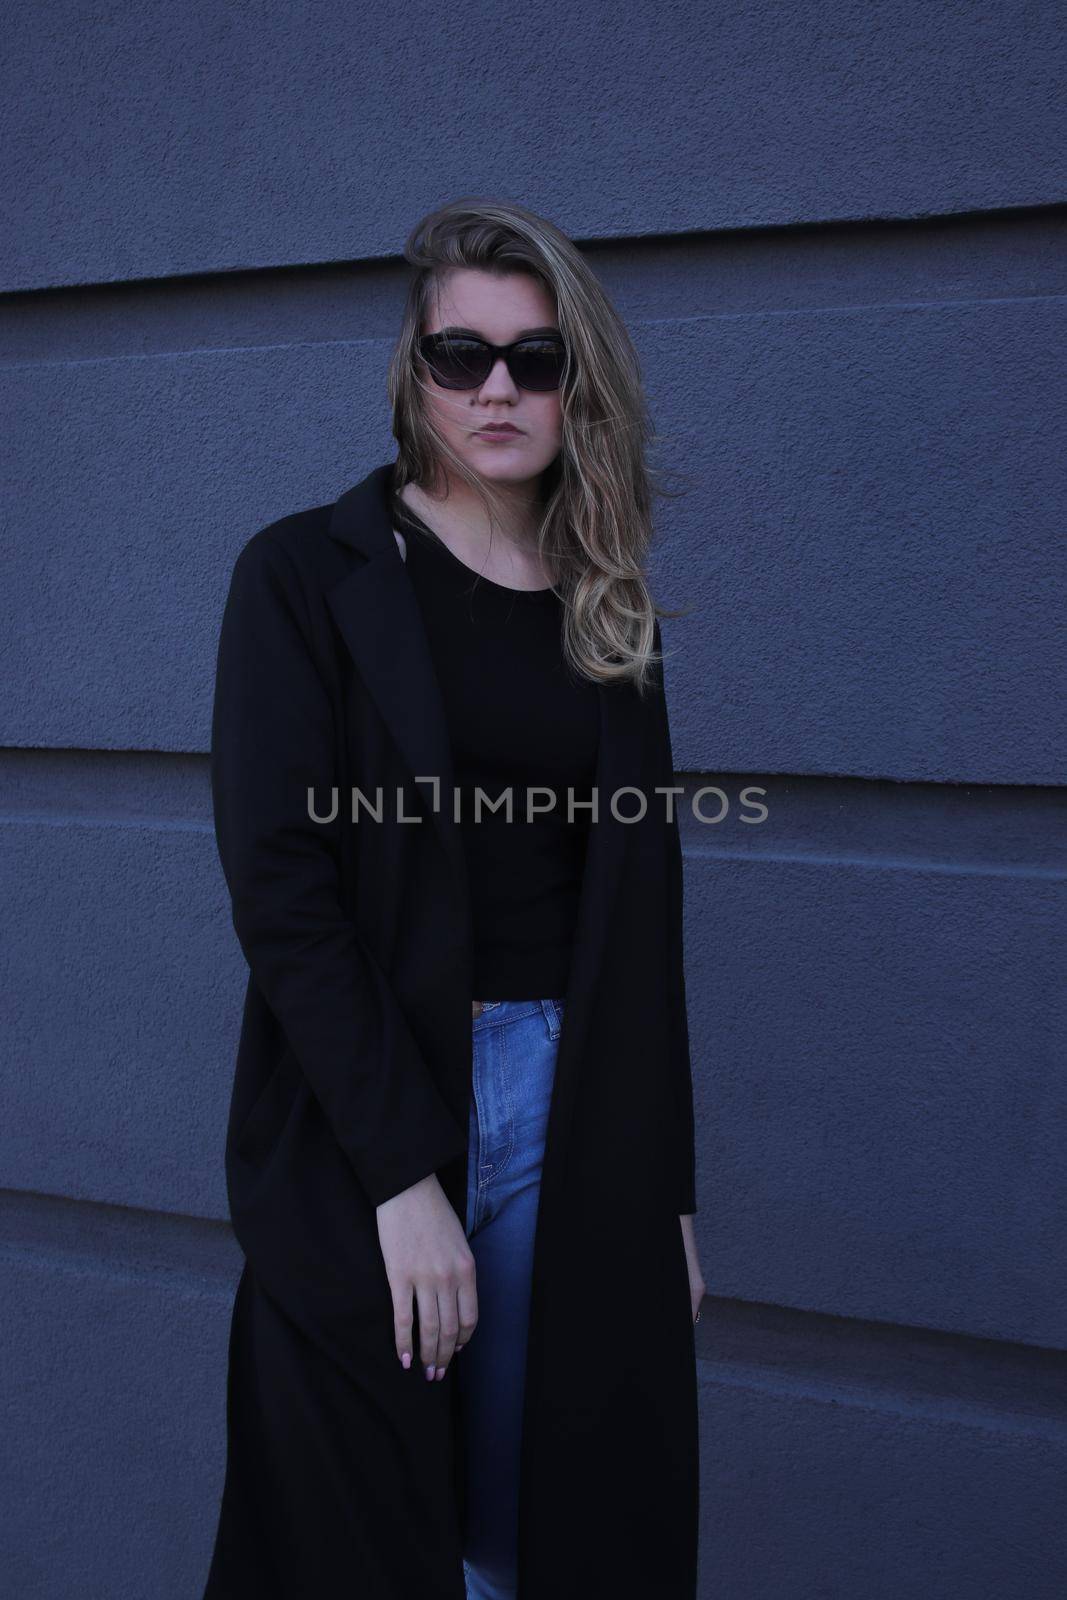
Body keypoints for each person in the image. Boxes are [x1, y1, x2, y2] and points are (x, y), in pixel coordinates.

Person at [202, 197, 704, 1600]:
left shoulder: (610, 606)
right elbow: (282, 886)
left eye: (535, 360)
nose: (497, 390)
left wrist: (662, 1195)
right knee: (356, 1525)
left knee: (535, 1532)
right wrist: (399, 1175)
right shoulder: (304, 576)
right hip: (372, 1095)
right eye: (460, 356)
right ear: (412, 376)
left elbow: (643, 905)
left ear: (576, 382)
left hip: (572, 1109)